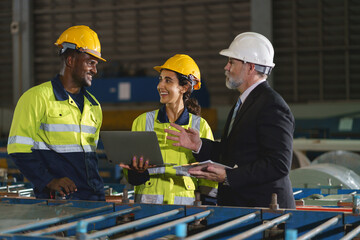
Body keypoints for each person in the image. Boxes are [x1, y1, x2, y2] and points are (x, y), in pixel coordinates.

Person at [165, 32, 296, 209]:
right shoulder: (245, 102)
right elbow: (233, 152)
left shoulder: (271, 105)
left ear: (250, 67)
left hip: (264, 211)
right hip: (244, 207)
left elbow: (278, 164)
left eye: (231, 62)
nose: (226, 67)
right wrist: (198, 145)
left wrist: (229, 176)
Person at [7, 25, 107, 200]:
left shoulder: (94, 106)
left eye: (96, 64)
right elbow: (18, 149)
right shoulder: (36, 98)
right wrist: (49, 180)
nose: (94, 70)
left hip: (93, 198)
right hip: (58, 201)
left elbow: (90, 160)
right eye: (90, 62)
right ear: (70, 61)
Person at [121, 54, 218, 205]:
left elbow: (209, 177)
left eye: (168, 80)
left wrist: (206, 209)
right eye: (160, 79)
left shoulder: (201, 126)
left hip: (186, 211)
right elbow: (131, 175)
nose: (160, 86)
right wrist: (136, 171)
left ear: (184, 87)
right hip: (147, 209)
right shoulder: (142, 122)